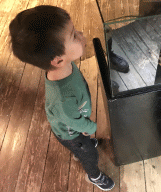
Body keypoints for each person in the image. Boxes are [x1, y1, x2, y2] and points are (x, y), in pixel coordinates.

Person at [9, 5, 114, 191]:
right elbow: (74, 122)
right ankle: (94, 175)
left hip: (74, 121)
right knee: (90, 155)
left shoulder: (63, 67)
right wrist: (91, 128)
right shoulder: (63, 99)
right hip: (71, 133)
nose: (81, 34)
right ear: (57, 60)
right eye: (74, 35)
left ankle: (80, 149)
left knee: (85, 145)